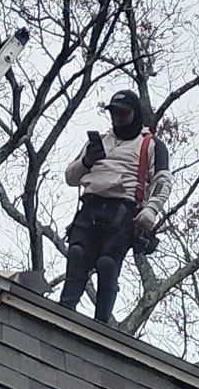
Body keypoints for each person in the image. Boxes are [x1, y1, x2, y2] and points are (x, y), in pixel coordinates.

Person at [56, 88, 170, 320]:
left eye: (123, 113)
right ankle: (63, 313)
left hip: (123, 211)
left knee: (108, 265)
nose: (117, 118)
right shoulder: (101, 142)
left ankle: (101, 324)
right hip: (90, 207)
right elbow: (71, 177)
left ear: (134, 114)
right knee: (77, 254)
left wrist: (151, 209)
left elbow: (162, 179)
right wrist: (88, 161)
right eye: (114, 113)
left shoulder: (150, 145)